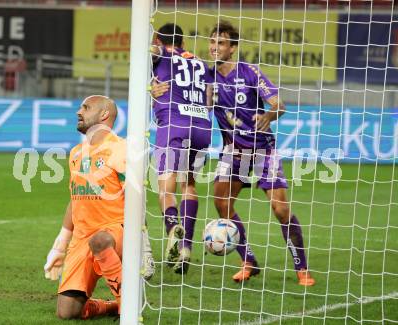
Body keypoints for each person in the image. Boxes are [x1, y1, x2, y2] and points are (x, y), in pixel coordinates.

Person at [152, 21, 315, 286]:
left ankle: (302, 268)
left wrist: (270, 114)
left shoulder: (250, 72)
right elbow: (187, 93)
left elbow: (279, 104)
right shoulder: (206, 75)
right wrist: (156, 88)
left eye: (221, 44)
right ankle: (248, 260)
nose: (215, 48)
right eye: (212, 43)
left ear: (233, 48)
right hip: (232, 151)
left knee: (280, 209)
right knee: (222, 203)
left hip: (263, 149)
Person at [43, 95, 154, 320]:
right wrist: (60, 245)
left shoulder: (122, 149)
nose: (79, 111)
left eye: (86, 107)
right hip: (82, 237)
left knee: (100, 241)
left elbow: (137, 197)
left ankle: (127, 308)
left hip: (116, 229)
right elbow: (75, 199)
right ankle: (113, 305)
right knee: (68, 312)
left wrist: (144, 246)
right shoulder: (76, 153)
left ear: (104, 114)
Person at [151, 23, 213, 274]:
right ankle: (186, 247)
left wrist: (151, 89)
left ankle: (173, 228)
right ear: (183, 42)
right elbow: (209, 99)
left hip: (173, 124)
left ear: (158, 39)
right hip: (201, 126)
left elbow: (151, 52)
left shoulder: (160, 54)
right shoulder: (200, 62)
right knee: (189, 184)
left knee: (166, 187)